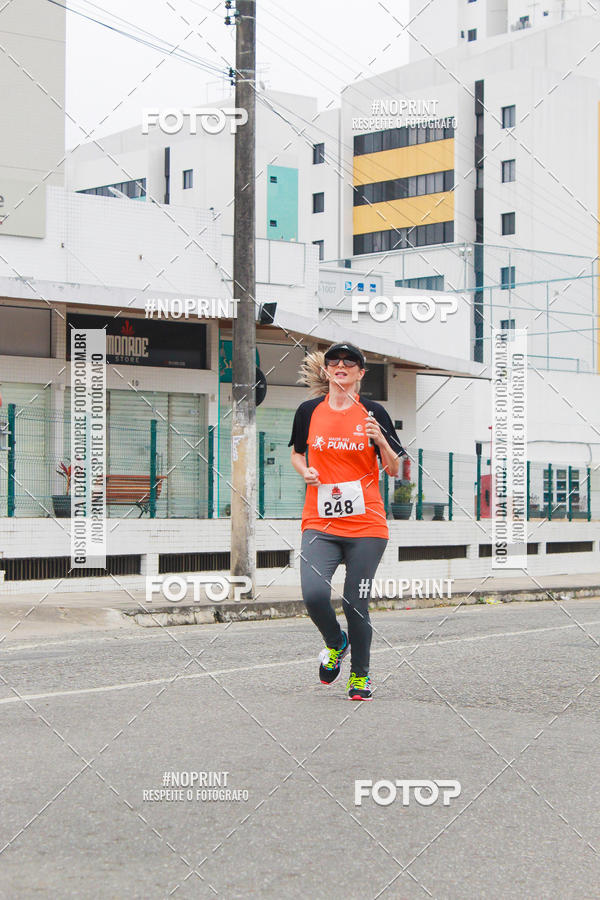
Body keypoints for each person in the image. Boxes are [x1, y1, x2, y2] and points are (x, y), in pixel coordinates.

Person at [288, 342, 405, 700]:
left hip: (367, 525)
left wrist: (380, 441)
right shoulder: (309, 411)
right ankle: (336, 642)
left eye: (349, 362)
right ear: (326, 371)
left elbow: (395, 469)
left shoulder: (373, 412)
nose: (341, 365)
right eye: (334, 361)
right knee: (313, 593)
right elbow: (295, 453)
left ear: (360, 373)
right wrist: (304, 470)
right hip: (320, 521)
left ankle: (360, 677)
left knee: (356, 601)